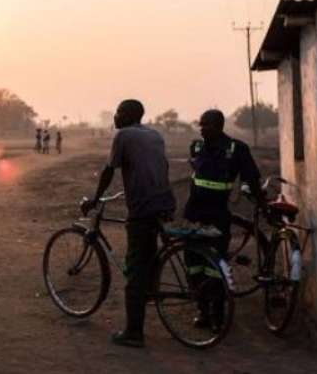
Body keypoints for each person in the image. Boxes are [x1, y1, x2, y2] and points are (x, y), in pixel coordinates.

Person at [81, 99, 176, 348]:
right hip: (164, 202)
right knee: (150, 256)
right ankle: (151, 291)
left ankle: (134, 333)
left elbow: (109, 170)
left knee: (134, 269)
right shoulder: (155, 134)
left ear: (128, 115)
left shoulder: (123, 135)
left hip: (142, 207)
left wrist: (95, 199)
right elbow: (162, 166)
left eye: (119, 112)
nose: (115, 116)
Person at [185, 109, 261, 329]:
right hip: (194, 215)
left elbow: (251, 177)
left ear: (219, 126)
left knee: (215, 268)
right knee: (193, 265)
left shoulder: (237, 149)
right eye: (200, 124)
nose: (201, 129)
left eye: (206, 125)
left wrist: (251, 192)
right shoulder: (197, 147)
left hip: (218, 216)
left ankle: (218, 315)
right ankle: (202, 311)